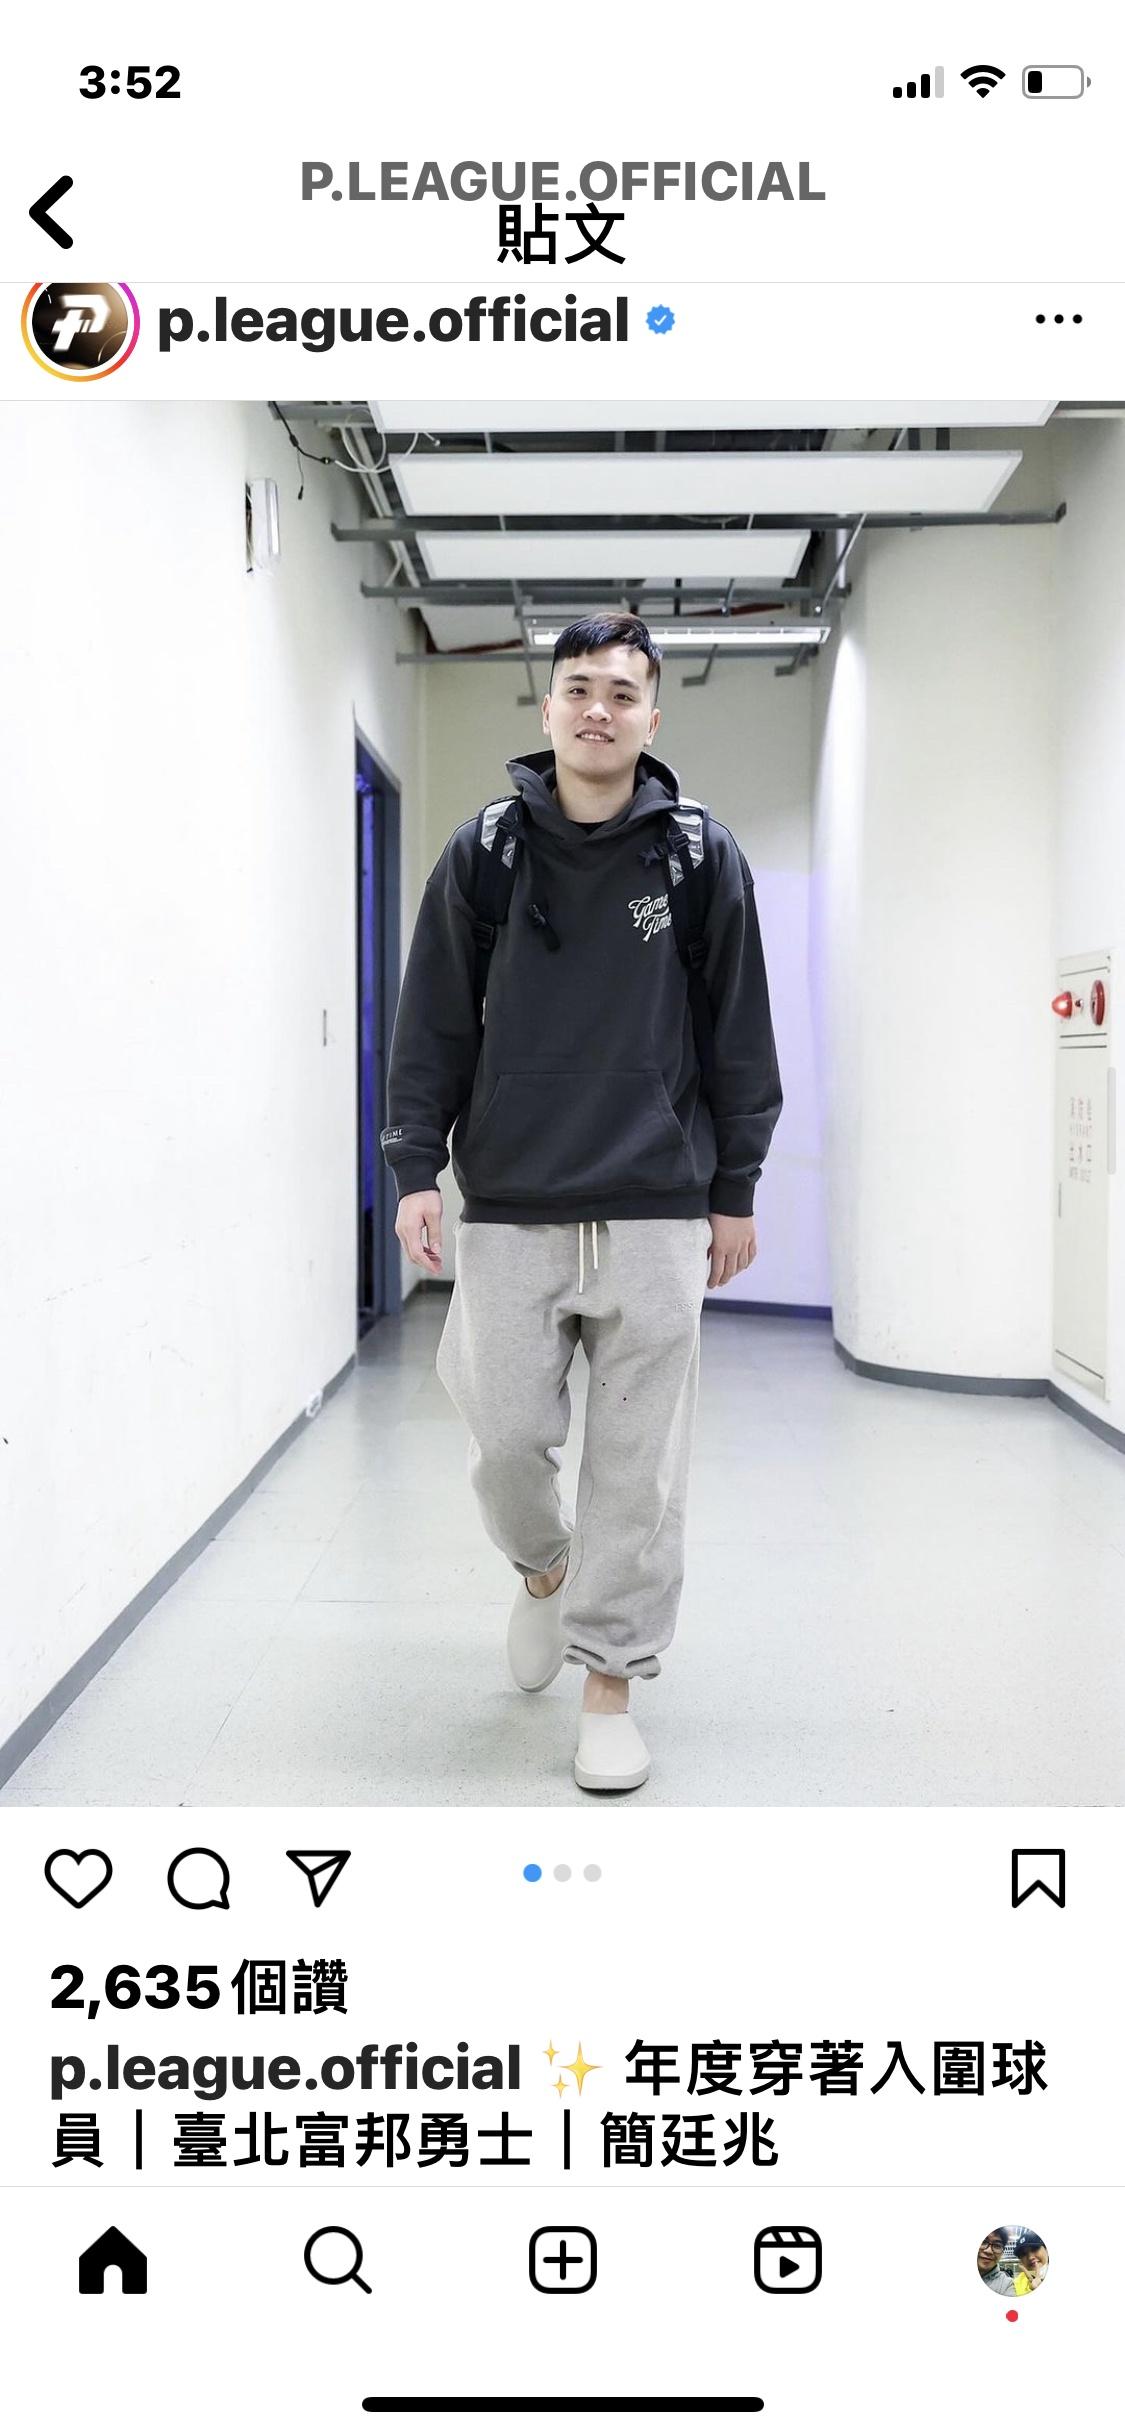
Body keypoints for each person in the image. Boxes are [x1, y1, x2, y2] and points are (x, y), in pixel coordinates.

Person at [381, 613, 782, 1793]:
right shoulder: (487, 853)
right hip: (512, 1199)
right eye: (577, 688)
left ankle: (610, 1681)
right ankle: (546, 1572)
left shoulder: (700, 858)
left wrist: (736, 1188)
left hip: (658, 1204)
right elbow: (432, 1022)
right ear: (548, 707)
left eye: (620, 691)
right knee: (504, 1441)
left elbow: (740, 1035)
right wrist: (415, 1167)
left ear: (653, 716)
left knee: (639, 1469)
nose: (597, 708)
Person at [976, 2229, 1015, 2293]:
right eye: (983, 2242)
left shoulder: (1006, 2285)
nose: (988, 2251)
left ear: (1002, 2253)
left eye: (997, 2245)